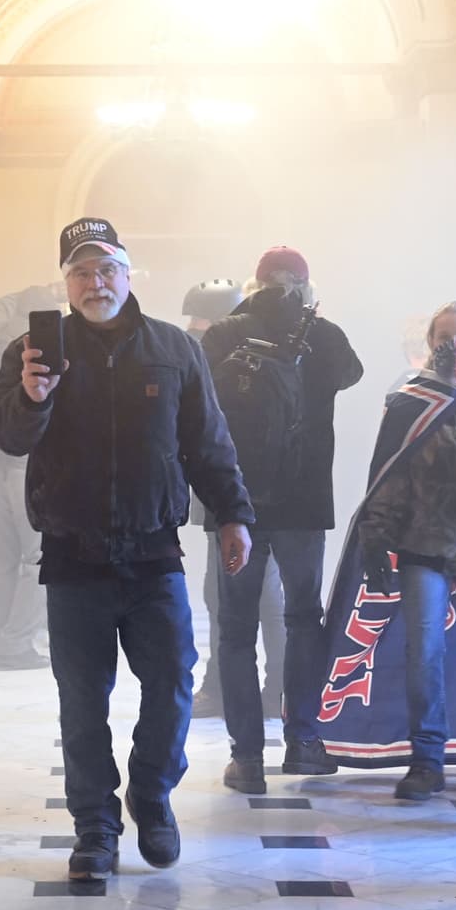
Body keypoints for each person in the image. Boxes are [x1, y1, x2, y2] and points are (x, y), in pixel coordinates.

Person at [0, 217, 254, 881]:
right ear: (66, 283)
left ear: (130, 275)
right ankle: (95, 829)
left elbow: (208, 442)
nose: (94, 282)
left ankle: (152, 793)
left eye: (106, 269)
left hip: (153, 551)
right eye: (80, 272)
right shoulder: (32, 351)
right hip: (73, 554)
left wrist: (233, 515)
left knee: (171, 686)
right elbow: (7, 438)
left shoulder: (173, 350)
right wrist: (31, 397)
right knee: (82, 702)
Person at [202, 246, 364, 795]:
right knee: (301, 618)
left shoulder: (224, 333)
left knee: (235, 628)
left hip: (234, 504)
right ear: (303, 285)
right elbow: (353, 373)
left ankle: (246, 758)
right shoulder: (324, 334)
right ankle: (304, 742)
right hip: (302, 502)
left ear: (255, 282)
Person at [356, 302, 456, 800]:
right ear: (430, 343)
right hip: (427, 540)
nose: (455, 344)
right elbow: (387, 475)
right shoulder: (409, 401)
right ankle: (427, 759)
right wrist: (375, 538)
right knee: (424, 649)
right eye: (444, 336)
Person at [182, 278, 286, 719]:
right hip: (223, 501)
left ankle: (276, 688)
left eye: (200, 321)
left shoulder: (244, 373)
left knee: (262, 601)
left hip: (244, 501)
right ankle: (234, 686)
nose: (192, 331)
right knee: (222, 596)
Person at [0, 285, 64, 670]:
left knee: (2, 559)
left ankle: (5, 636)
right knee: (41, 557)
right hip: (28, 466)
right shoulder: (43, 356)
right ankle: (16, 642)